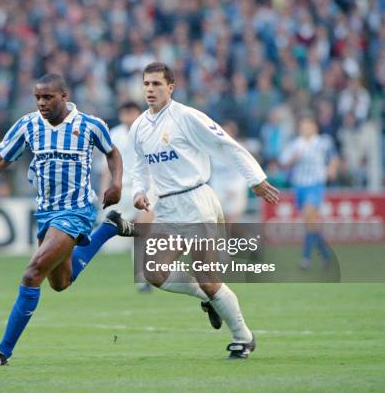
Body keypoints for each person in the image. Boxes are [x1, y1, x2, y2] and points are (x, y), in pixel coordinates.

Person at [0, 73, 134, 366]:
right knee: (60, 283)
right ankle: (109, 227)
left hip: (77, 210)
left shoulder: (89, 125)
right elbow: (2, 158)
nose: (42, 103)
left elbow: (113, 153)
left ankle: (2, 351)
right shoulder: (28, 124)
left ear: (64, 96)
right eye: (37, 98)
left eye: (47, 97)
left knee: (33, 272)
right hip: (46, 212)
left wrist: (117, 183)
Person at [130, 62, 279, 359]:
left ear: (171, 87)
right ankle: (207, 299)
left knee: (208, 277)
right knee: (153, 273)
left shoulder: (187, 117)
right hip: (168, 207)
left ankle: (243, 337)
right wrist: (138, 191)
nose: (150, 89)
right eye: (146, 84)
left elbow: (226, 144)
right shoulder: (139, 126)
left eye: (157, 84)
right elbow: (139, 166)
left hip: (197, 202)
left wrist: (255, 179)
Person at [99, 101, 155, 292]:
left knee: (142, 233)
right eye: (125, 112)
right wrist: (103, 191)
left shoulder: (149, 131)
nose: (128, 117)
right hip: (121, 190)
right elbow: (107, 168)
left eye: (132, 112)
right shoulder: (114, 134)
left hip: (144, 190)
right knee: (116, 234)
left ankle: (144, 278)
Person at [279, 116, 338, 269]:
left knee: (309, 217)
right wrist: (294, 158)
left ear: (314, 127)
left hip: (316, 184)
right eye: (302, 126)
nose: (304, 128)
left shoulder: (323, 141)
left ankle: (306, 258)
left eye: (307, 126)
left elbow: (334, 157)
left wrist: (332, 168)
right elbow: (283, 162)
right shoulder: (295, 144)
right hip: (300, 186)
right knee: (310, 223)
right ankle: (326, 255)